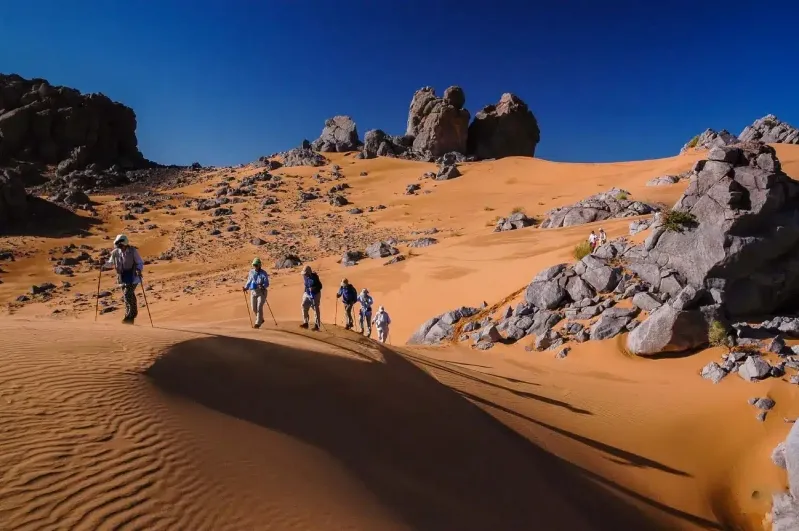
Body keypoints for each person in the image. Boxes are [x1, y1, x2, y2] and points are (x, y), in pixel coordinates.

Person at [101, 234, 144, 324]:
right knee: (129, 295)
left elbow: (139, 262)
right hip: (122, 277)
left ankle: (129, 315)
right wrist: (103, 264)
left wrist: (139, 269)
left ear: (125, 244)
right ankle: (131, 315)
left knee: (127, 294)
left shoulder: (133, 251)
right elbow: (110, 263)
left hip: (133, 276)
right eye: (119, 245)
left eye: (121, 245)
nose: (120, 247)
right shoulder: (115, 252)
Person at [243, 257, 269, 328]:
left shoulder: (263, 273)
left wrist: (263, 286)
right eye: (254, 265)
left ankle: (257, 323)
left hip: (261, 292)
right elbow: (249, 281)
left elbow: (267, 283)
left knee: (259, 307)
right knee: (253, 308)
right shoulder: (251, 272)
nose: (255, 266)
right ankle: (261, 319)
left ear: (259, 265)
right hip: (253, 292)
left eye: (256, 265)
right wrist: (245, 287)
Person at [301, 265, 323, 331]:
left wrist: (313, 288)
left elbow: (320, 286)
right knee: (303, 305)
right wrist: (305, 292)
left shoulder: (315, 277)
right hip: (307, 294)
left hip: (315, 294)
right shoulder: (305, 276)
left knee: (315, 309)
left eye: (305, 273)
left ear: (309, 272)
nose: (304, 274)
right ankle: (305, 323)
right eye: (304, 273)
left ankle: (317, 325)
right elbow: (306, 285)